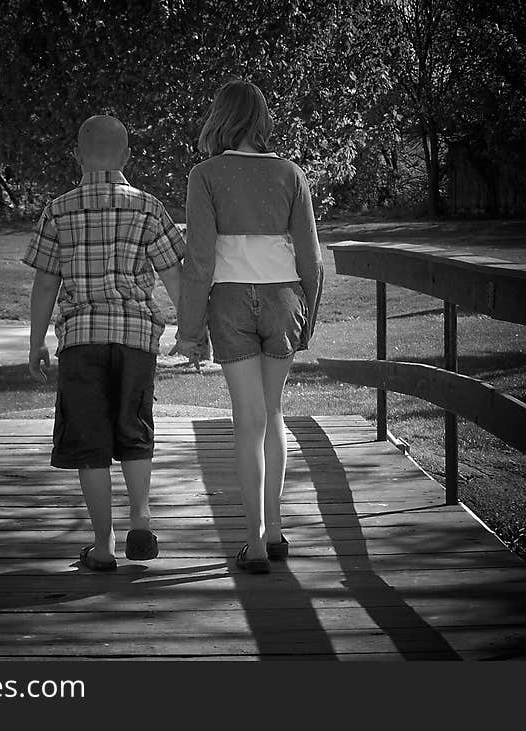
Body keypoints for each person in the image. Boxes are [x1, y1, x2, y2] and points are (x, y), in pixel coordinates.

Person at [23, 114, 186, 571]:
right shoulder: (149, 208)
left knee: (89, 442)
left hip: (81, 341)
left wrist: (36, 341)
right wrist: (195, 331)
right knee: (135, 428)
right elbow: (176, 276)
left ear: (77, 156)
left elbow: (44, 285)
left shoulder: (58, 209)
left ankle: (103, 544)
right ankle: (141, 516)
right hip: (136, 339)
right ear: (128, 156)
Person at [175, 80, 324, 574]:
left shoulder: (205, 175)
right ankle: (277, 530)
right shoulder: (291, 174)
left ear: (220, 117)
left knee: (248, 419)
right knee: (274, 412)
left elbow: (198, 260)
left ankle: (254, 541)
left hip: (230, 303)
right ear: (261, 119)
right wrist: (309, 316)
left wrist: (189, 330)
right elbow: (311, 259)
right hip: (285, 298)